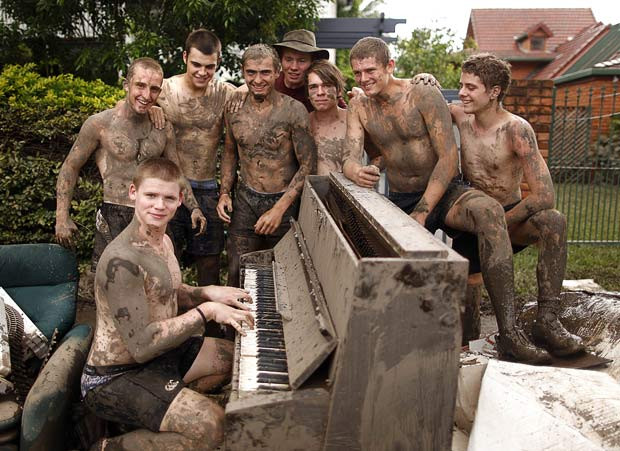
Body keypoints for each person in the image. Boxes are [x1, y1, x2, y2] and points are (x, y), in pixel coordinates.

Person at [342, 37, 552, 364]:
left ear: (390, 66)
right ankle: (402, 345)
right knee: (400, 270)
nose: (363, 78)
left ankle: (510, 332)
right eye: (357, 73)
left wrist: (425, 208)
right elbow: (349, 155)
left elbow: (448, 157)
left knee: (489, 212)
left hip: (444, 191)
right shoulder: (359, 106)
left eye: (370, 70)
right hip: (400, 197)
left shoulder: (423, 95)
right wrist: (355, 170)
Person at [81, 158, 254, 450]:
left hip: (160, 357)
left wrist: (209, 292)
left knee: (234, 358)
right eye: (151, 195)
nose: (159, 205)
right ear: (133, 193)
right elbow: (142, 345)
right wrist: (207, 311)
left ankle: (160, 407)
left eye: (168, 198)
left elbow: (169, 293)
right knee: (213, 426)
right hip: (115, 378)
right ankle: (109, 446)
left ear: (179, 201)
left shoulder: (163, 241)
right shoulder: (122, 261)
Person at [448, 53, 584, 357]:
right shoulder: (459, 117)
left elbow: (544, 195)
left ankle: (547, 320)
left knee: (554, 221)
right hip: (472, 225)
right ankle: (491, 341)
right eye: (462, 85)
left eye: (471, 87)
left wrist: (498, 225)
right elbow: (424, 106)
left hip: (509, 218)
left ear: (494, 92)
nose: (462, 93)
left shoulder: (516, 129)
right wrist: (423, 82)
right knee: (465, 341)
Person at [55, 57, 206, 268]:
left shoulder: (162, 127)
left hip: (154, 216)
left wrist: (194, 208)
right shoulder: (100, 124)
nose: (146, 95)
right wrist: (62, 217)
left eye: (154, 89)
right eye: (140, 86)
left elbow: (176, 173)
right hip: (114, 214)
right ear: (126, 85)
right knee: (111, 284)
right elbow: (71, 167)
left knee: (160, 284)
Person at [216, 44, 316, 287]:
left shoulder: (294, 111)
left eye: (264, 73)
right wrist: (224, 193)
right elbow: (230, 152)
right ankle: (234, 325)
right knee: (237, 271)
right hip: (246, 200)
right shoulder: (234, 109)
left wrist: (279, 209)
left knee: (282, 276)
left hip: (283, 201)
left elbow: (308, 166)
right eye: (251, 73)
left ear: (276, 72)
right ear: (243, 72)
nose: (257, 79)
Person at [156, 29, 235, 286]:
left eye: (210, 67)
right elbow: (130, 107)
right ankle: (169, 322)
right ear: (184, 57)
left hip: (207, 186)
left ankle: (211, 325)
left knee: (210, 261)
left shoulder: (225, 94)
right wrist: (151, 111)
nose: (203, 72)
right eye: (196, 65)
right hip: (170, 185)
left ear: (218, 63)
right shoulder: (165, 89)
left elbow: (263, 95)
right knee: (166, 259)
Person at [306, 59, 347, 174]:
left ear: (338, 90)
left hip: (346, 190)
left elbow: (379, 155)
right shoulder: (302, 123)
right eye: (313, 87)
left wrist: (365, 173)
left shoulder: (352, 120)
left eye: (327, 85)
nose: (320, 92)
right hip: (308, 190)